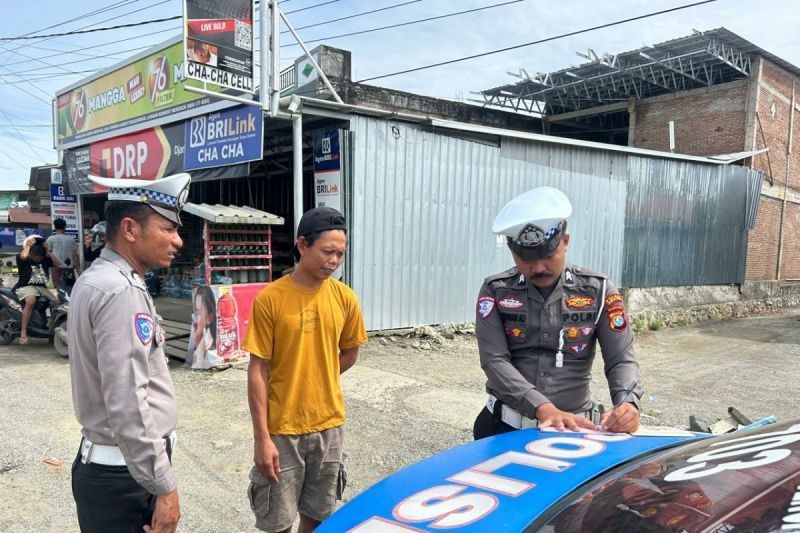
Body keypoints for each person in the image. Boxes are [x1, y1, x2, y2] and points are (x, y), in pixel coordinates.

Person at [68, 173, 191, 533]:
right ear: (130, 229)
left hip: (114, 469)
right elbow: (128, 402)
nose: (178, 240)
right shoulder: (120, 291)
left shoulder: (97, 279)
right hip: (125, 477)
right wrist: (164, 486)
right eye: (167, 228)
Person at [473, 186, 642, 439]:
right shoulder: (496, 291)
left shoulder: (599, 290)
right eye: (526, 259)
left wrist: (628, 403)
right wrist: (544, 409)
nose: (538, 267)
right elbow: (494, 361)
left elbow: (620, 358)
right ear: (512, 252)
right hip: (503, 430)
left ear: (565, 242)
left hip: (574, 433)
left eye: (548, 255)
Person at [244, 206, 368, 533]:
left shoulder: (345, 298)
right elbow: (258, 370)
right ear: (302, 245)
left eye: (340, 254)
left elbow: (350, 352)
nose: (334, 261)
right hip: (281, 429)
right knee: (277, 521)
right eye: (327, 251)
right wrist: (262, 438)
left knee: (319, 514)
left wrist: (316, 377)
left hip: (329, 425)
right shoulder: (270, 299)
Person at [14, 235, 66, 344]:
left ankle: (52, 328)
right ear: (31, 254)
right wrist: (28, 245)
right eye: (36, 256)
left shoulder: (45, 260)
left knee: (59, 301)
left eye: (40, 257)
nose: (39, 259)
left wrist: (48, 250)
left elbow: (59, 263)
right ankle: (24, 331)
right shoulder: (23, 259)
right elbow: (24, 256)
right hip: (27, 287)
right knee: (31, 301)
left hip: (43, 287)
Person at [189, 285, 219, 369]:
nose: (194, 317)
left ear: (210, 318)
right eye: (194, 311)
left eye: (198, 312)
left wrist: (201, 351)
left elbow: (199, 368)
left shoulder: (212, 352)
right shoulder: (199, 342)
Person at [45, 218, 78, 289]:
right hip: (69, 268)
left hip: (56, 267)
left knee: (58, 288)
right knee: (70, 288)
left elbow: (48, 254)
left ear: (55, 227)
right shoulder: (71, 239)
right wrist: (78, 268)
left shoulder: (50, 239)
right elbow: (74, 255)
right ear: (65, 227)